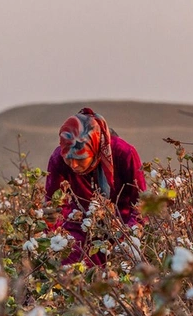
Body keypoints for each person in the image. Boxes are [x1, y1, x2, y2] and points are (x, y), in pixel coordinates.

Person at [45, 107, 146, 265]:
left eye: (79, 159)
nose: (73, 165)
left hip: (121, 224)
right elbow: (53, 205)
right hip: (79, 225)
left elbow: (141, 202)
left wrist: (130, 236)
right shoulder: (58, 159)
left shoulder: (124, 153)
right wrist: (55, 238)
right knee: (71, 269)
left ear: (94, 149)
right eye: (69, 159)